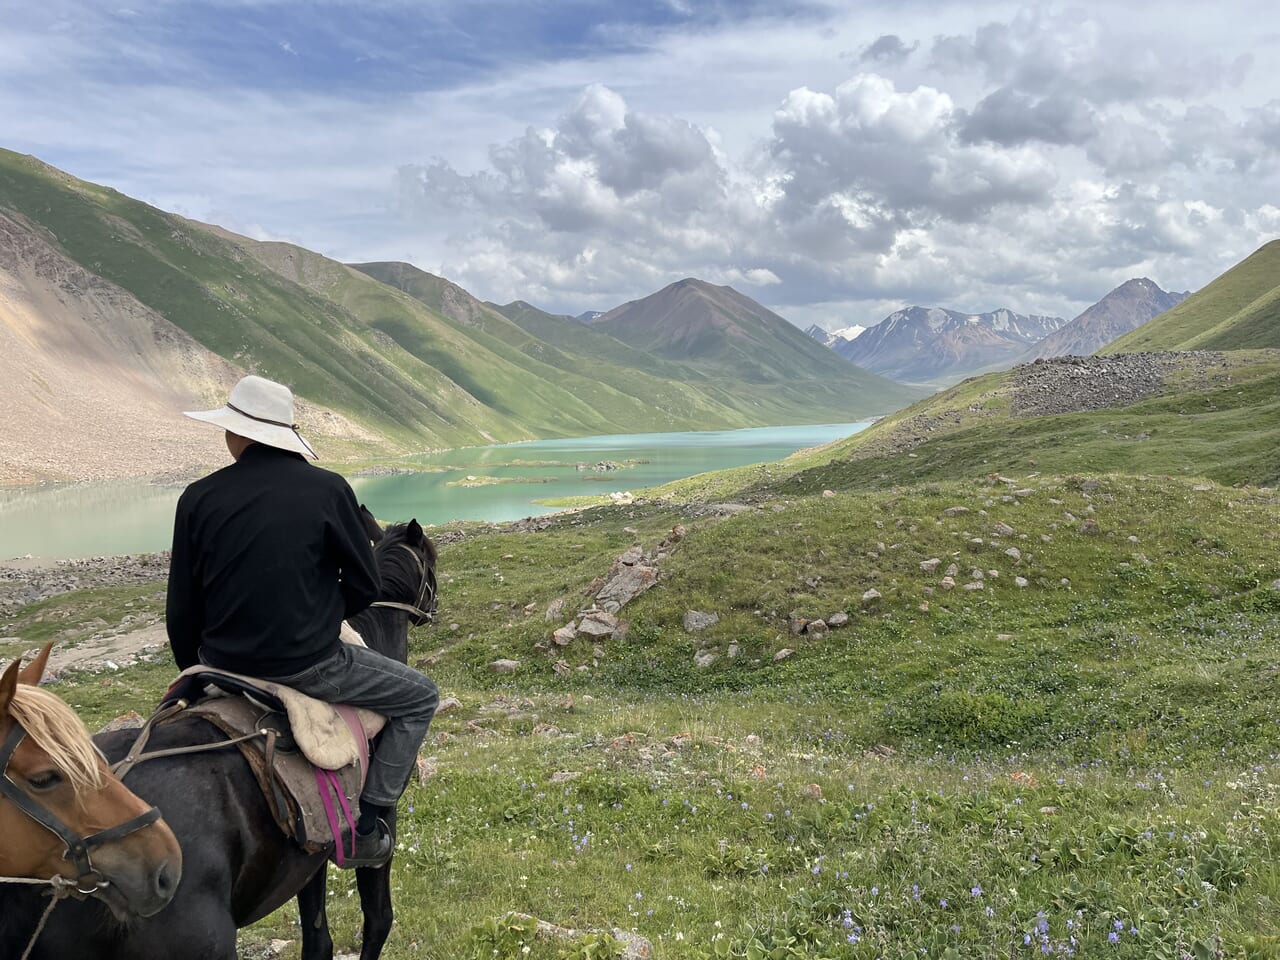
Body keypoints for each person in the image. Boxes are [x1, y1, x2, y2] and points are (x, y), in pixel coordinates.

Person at [165, 374, 438, 869]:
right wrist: (318, 614)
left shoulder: (197, 497)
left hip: (220, 664)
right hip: (307, 665)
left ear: (238, 434)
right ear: (284, 435)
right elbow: (365, 586)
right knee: (422, 696)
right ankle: (370, 823)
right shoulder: (329, 489)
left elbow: (181, 609)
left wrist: (194, 673)